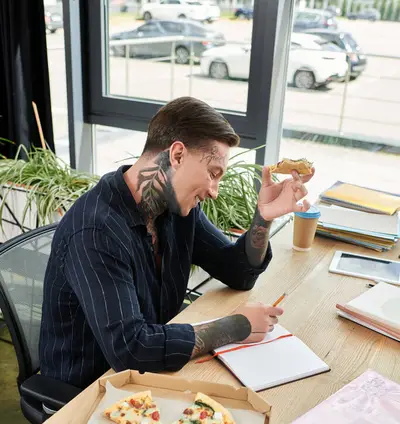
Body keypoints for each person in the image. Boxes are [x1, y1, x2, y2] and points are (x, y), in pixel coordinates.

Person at [39, 97, 314, 390]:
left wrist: (263, 217)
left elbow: (238, 272)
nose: (214, 191)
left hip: (151, 376)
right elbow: (131, 349)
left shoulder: (177, 210)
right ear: (178, 155)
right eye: (213, 173)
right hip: (87, 391)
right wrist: (238, 326)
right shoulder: (96, 231)